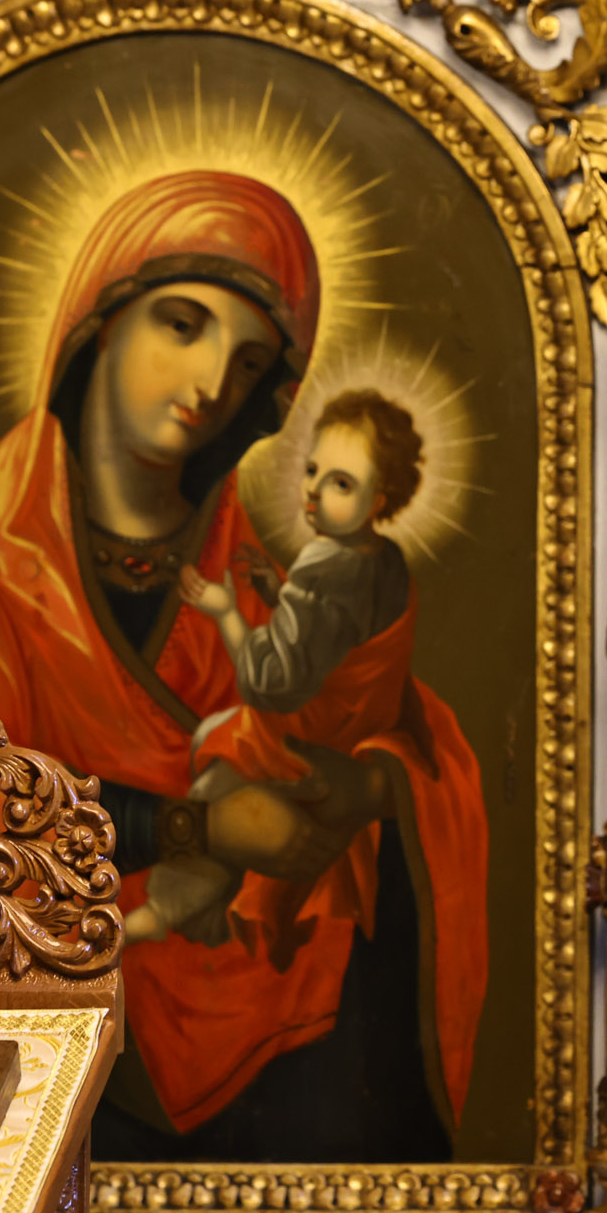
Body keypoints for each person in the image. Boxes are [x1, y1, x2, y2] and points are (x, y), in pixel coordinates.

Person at [0, 171, 488, 1162]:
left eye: (248, 362)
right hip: (43, 1083)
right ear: (99, 323)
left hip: (282, 1070)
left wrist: (366, 786)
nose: (210, 382)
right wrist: (198, 825)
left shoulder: (256, 584)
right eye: (181, 326)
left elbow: (392, 734)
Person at [128, 389, 430, 967]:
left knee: (216, 783)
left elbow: (269, 683)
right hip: (355, 729)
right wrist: (280, 594)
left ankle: (158, 914)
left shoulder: (324, 569)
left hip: (308, 742)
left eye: (340, 483)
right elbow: (331, 640)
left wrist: (227, 613)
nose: (313, 491)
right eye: (313, 471)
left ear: (378, 500)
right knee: (213, 737)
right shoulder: (384, 560)